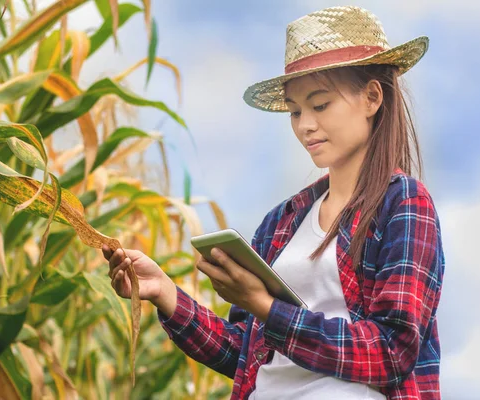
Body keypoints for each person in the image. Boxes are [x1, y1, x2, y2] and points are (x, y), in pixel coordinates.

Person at [102, 5, 445, 400]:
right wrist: (166, 293)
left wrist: (266, 306)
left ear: (371, 98)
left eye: (319, 105)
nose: (305, 125)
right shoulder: (282, 222)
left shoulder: (404, 204)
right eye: (295, 111)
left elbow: (391, 351)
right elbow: (244, 352)